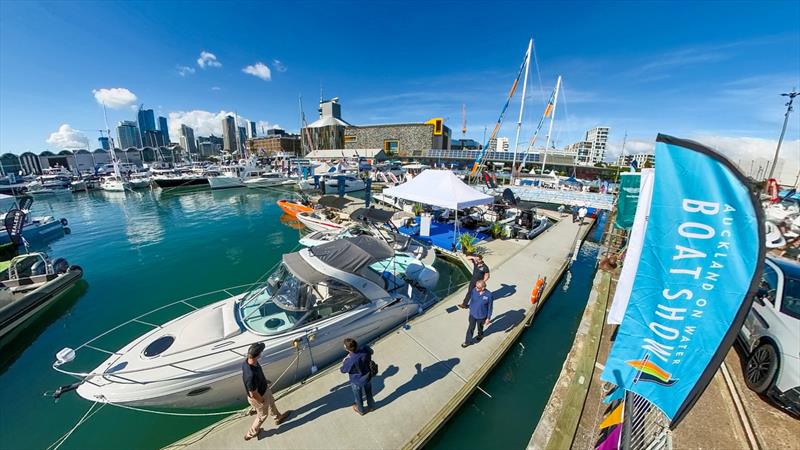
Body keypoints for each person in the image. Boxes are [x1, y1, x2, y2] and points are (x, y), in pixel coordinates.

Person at [242, 343, 291, 441]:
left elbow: (257, 376)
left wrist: (264, 381)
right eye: (260, 352)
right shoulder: (250, 375)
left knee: (272, 402)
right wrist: (262, 401)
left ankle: (278, 417)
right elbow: (253, 393)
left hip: (264, 390)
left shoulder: (248, 361)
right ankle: (251, 433)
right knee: (262, 415)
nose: (261, 353)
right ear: (257, 355)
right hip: (259, 397)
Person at [340, 338, 375, 415]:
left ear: (347, 349)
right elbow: (371, 352)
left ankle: (361, 410)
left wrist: (344, 361)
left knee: (358, 397)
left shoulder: (349, 361)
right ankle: (371, 406)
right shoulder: (365, 348)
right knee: (369, 393)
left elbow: (342, 370)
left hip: (356, 381)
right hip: (367, 376)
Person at [460, 280, 493, 347]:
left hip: (481, 316)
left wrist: (488, 318)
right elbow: (472, 300)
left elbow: (490, 307)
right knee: (471, 328)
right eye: (476, 286)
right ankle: (467, 341)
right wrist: (469, 307)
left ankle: (480, 335)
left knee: (480, 327)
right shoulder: (474, 290)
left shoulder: (489, 295)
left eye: (478, 287)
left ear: (483, 288)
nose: (476, 288)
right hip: (472, 314)